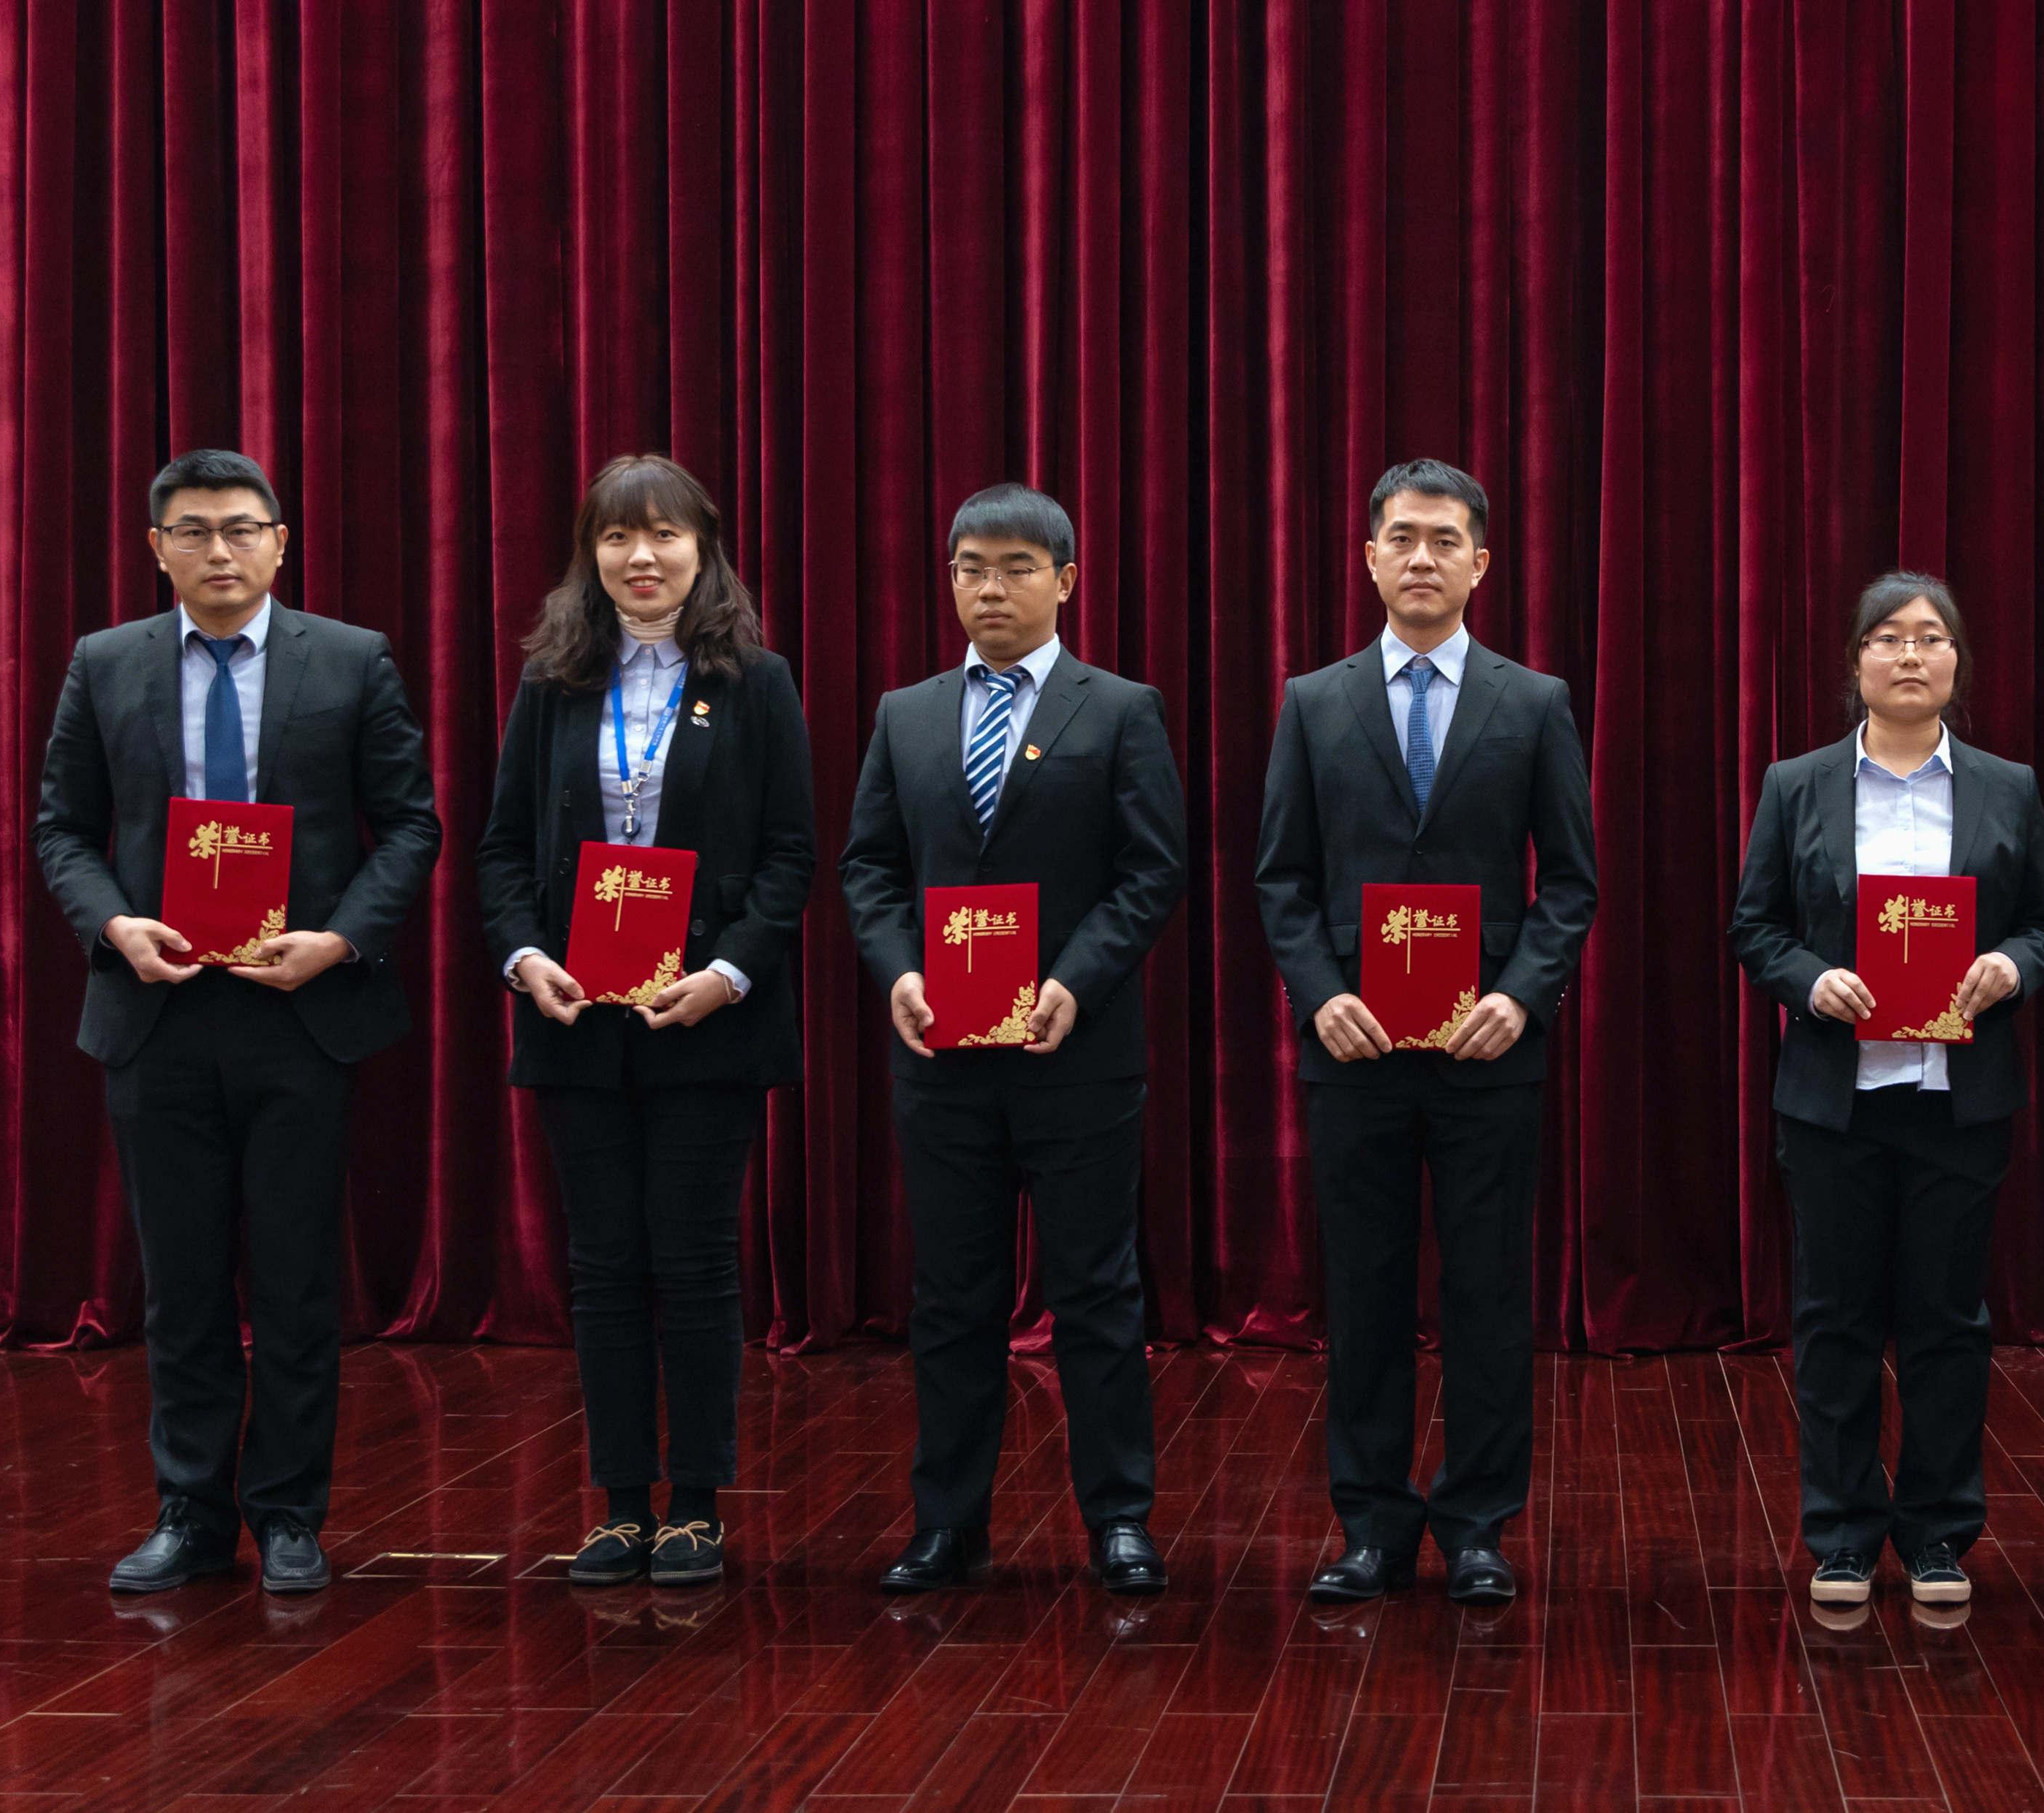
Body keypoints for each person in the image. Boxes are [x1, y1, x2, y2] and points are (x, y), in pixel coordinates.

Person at [29, 448, 442, 1596]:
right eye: (195, 531)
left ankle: (291, 1514)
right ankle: (190, 1513)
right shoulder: (106, 662)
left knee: (298, 1280)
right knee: (183, 1282)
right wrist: (115, 928)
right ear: (156, 548)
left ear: (279, 542)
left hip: (297, 1012)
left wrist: (339, 942)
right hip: (157, 1011)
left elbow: (410, 824)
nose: (220, 551)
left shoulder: (350, 660)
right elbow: (63, 829)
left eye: (241, 529)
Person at [1253, 460, 1599, 1606]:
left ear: (1480, 564)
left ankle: (1478, 1526)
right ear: (1367, 558)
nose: (1420, 558)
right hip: (1353, 1048)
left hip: (1484, 1050)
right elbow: (1281, 879)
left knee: (1488, 1293)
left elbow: (1571, 883)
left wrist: (1523, 995)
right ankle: (1370, 1526)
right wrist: (1319, 993)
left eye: (1444, 541)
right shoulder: (1313, 701)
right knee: (1362, 1292)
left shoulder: (1533, 701)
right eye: (1400, 538)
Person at [837, 483, 1190, 1596]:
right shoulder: (906, 714)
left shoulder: (1120, 709)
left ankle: (1119, 1519)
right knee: (952, 1297)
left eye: (1016, 568)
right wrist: (898, 970)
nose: (990, 588)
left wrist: (1075, 980)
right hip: (942, 1057)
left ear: (1066, 581)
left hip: (1074, 1054)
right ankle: (948, 1524)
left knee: (1095, 1291)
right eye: (971, 569)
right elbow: (869, 867)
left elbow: (1152, 870)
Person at [474, 456, 815, 1588]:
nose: (641, 557)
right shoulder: (553, 681)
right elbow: (502, 850)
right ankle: (621, 1504)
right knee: (606, 1264)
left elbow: (790, 856)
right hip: (578, 1019)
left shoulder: (755, 681)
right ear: (592, 555)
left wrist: (728, 972)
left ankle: (697, 1506)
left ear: (702, 548)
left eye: (664, 534)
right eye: (617, 537)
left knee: (696, 1259)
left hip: (704, 1019)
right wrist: (525, 959)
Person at [1726, 573, 2044, 1613]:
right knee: (1834, 1323)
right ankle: (1840, 1537)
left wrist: (2010, 967)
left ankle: (1936, 1535)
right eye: (1887, 637)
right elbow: (1755, 928)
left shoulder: (2007, 786)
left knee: (1946, 1324)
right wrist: (1809, 980)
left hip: (1957, 1101)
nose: (1910, 654)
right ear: (1855, 662)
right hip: (1836, 1103)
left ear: (1957, 661)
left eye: (1930, 637)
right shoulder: (1797, 784)